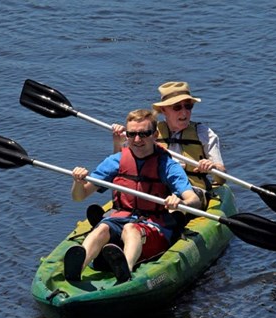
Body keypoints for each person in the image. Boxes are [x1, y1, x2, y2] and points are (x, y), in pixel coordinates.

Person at [64, 109, 201, 284]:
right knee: (102, 228)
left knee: (131, 229)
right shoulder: (115, 161)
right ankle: (77, 268)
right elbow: (79, 196)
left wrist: (180, 202)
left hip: (153, 225)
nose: (137, 140)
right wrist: (77, 181)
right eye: (132, 134)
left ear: (155, 135)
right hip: (120, 217)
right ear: (127, 135)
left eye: (144, 134)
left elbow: (194, 200)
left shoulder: (167, 165)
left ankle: (124, 271)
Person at [113, 81, 226, 209]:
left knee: (172, 200)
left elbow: (221, 179)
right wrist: (118, 141)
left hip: (191, 191)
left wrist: (213, 168)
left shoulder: (204, 133)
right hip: (156, 187)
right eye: (177, 107)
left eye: (188, 106)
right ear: (163, 110)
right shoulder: (149, 133)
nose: (184, 112)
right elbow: (123, 166)